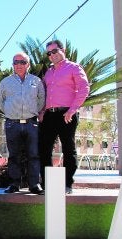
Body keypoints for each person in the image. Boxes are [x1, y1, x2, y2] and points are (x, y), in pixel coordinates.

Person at [39, 40, 90, 195]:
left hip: (66, 114)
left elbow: (84, 88)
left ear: (63, 50)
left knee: (68, 149)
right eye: (49, 53)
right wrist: (42, 112)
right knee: (43, 149)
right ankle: (47, 184)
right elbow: (44, 94)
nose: (52, 55)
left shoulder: (74, 68)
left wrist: (72, 110)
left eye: (54, 51)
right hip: (49, 115)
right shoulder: (48, 73)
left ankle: (68, 184)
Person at [0, 52, 45, 195]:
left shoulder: (36, 81)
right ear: (12, 65)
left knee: (34, 155)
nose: (19, 65)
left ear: (28, 64)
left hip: (31, 123)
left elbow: (41, 99)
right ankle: (14, 184)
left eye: (22, 62)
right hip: (12, 123)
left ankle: (34, 185)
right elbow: (0, 101)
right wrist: (10, 112)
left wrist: (33, 111)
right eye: (15, 62)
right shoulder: (5, 82)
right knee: (14, 155)